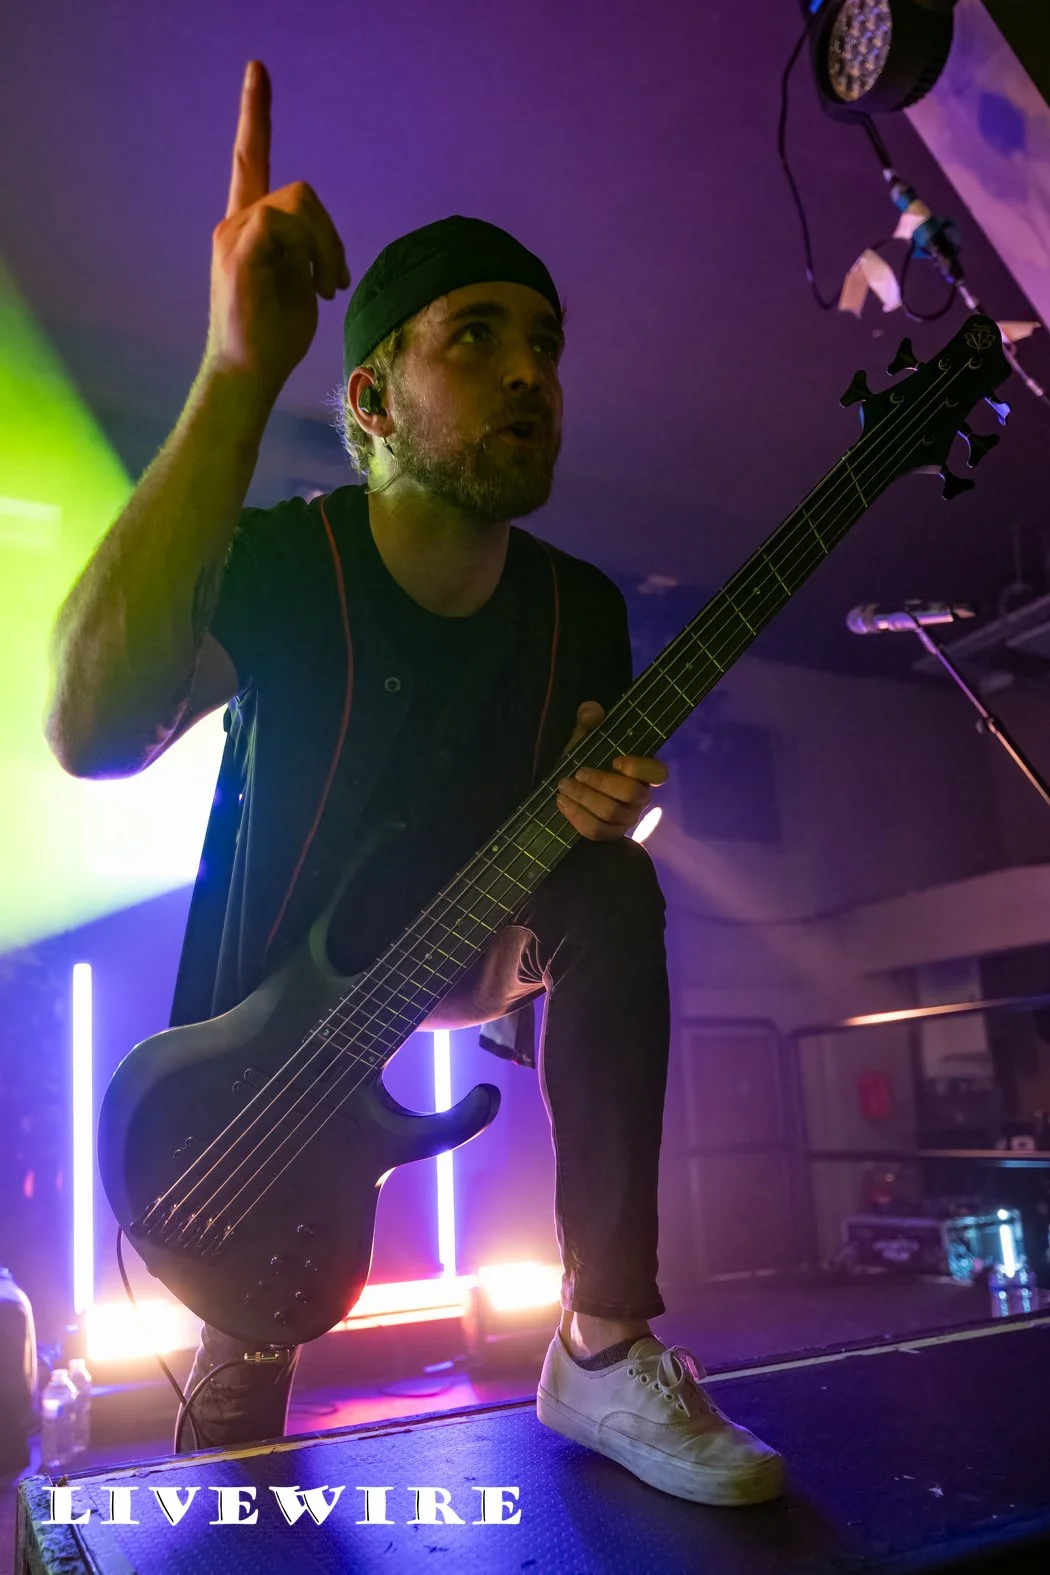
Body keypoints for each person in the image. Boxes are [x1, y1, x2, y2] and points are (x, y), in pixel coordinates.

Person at [43, 59, 784, 1507]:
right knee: (242, 1437)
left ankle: (604, 1340)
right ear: (372, 398)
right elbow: (92, 730)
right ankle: (242, 1374)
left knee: (616, 883)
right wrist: (234, 375)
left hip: (466, 946)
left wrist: (613, 809)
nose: (529, 372)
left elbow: (584, 850)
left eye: (546, 342)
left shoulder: (580, 610)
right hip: (263, 1035)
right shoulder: (289, 563)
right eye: (476, 335)